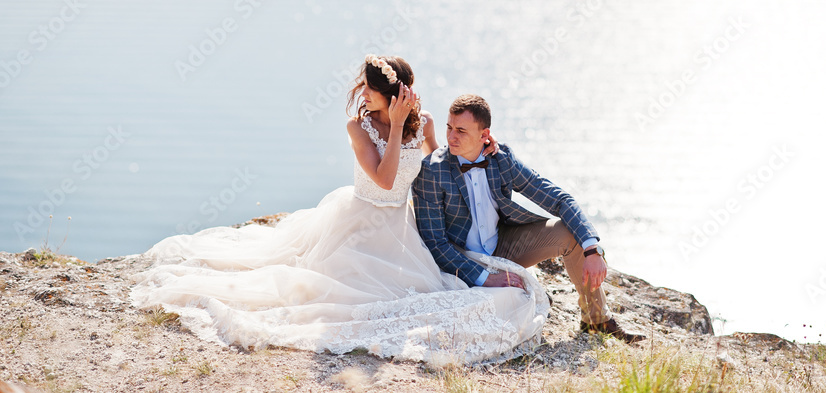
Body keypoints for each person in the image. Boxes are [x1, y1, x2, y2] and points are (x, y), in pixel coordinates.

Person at [129, 56, 548, 364]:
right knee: (343, 294)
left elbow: (442, 166)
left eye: (368, 88)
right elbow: (384, 180)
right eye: (363, 88)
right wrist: (398, 125)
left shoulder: (426, 124)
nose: (362, 95)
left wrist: (489, 151)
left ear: (391, 94)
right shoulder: (358, 128)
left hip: (403, 228)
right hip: (359, 222)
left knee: (423, 292)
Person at [413, 94, 645, 343]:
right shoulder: (432, 171)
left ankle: (596, 320)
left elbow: (556, 198)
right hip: (464, 258)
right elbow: (436, 243)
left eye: (461, 130)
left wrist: (592, 249)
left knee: (571, 232)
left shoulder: (501, 159)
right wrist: (488, 278)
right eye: (449, 128)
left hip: (502, 246)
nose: (451, 137)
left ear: (484, 135)